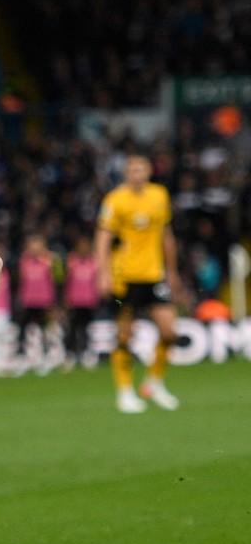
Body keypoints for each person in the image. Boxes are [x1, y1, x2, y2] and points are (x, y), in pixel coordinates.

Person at [95, 154, 181, 413]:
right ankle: (124, 391)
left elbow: (167, 235)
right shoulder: (115, 200)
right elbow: (102, 238)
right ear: (126, 173)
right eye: (133, 169)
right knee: (125, 334)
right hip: (126, 275)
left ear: (149, 170)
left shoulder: (159, 195)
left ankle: (154, 383)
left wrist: (172, 271)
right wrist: (103, 273)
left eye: (142, 168)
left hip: (154, 274)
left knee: (169, 331)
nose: (138, 173)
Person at [15, 234, 57, 371]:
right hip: (28, 301)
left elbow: (58, 279)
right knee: (23, 331)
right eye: (32, 245)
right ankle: (23, 359)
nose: (34, 248)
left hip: (44, 301)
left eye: (37, 245)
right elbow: (20, 281)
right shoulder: (24, 261)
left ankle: (45, 359)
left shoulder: (49, 261)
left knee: (45, 331)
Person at [63, 236, 99, 369]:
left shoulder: (94, 263)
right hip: (74, 301)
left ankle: (87, 353)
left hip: (89, 302)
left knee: (86, 329)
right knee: (72, 329)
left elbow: (97, 282)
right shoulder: (71, 262)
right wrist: (66, 298)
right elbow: (67, 282)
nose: (83, 249)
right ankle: (70, 354)